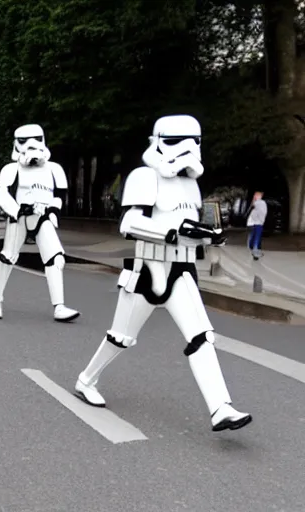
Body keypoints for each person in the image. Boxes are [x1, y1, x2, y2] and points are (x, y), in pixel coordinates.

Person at [74, 115, 251, 432]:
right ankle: (86, 379)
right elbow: (129, 224)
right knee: (121, 338)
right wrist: (169, 233)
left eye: (192, 143)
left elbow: (187, 229)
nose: (184, 151)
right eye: (175, 142)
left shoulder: (191, 185)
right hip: (147, 269)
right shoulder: (145, 177)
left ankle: (221, 408)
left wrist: (206, 236)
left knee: (201, 337)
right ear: (157, 142)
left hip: (181, 270)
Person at [0, 124, 80, 322]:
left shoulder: (54, 169)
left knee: (56, 259)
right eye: (24, 141)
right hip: (20, 217)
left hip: (43, 216)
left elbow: (59, 194)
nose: (31, 145)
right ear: (16, 144)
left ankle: (59, 306)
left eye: (36, 139)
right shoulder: (11, 169)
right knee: (7, 257)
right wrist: (18, 210)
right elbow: (0, 192)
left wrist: (54, 211)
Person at [246, 191, 267, 260]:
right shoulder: (260, 202)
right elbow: (263, 213)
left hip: (252, 224)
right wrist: (261, 221)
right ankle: (255, 250)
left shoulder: (254, 203)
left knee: (254, 237)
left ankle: (253, 249)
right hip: (257, 223)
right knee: (257, 238)